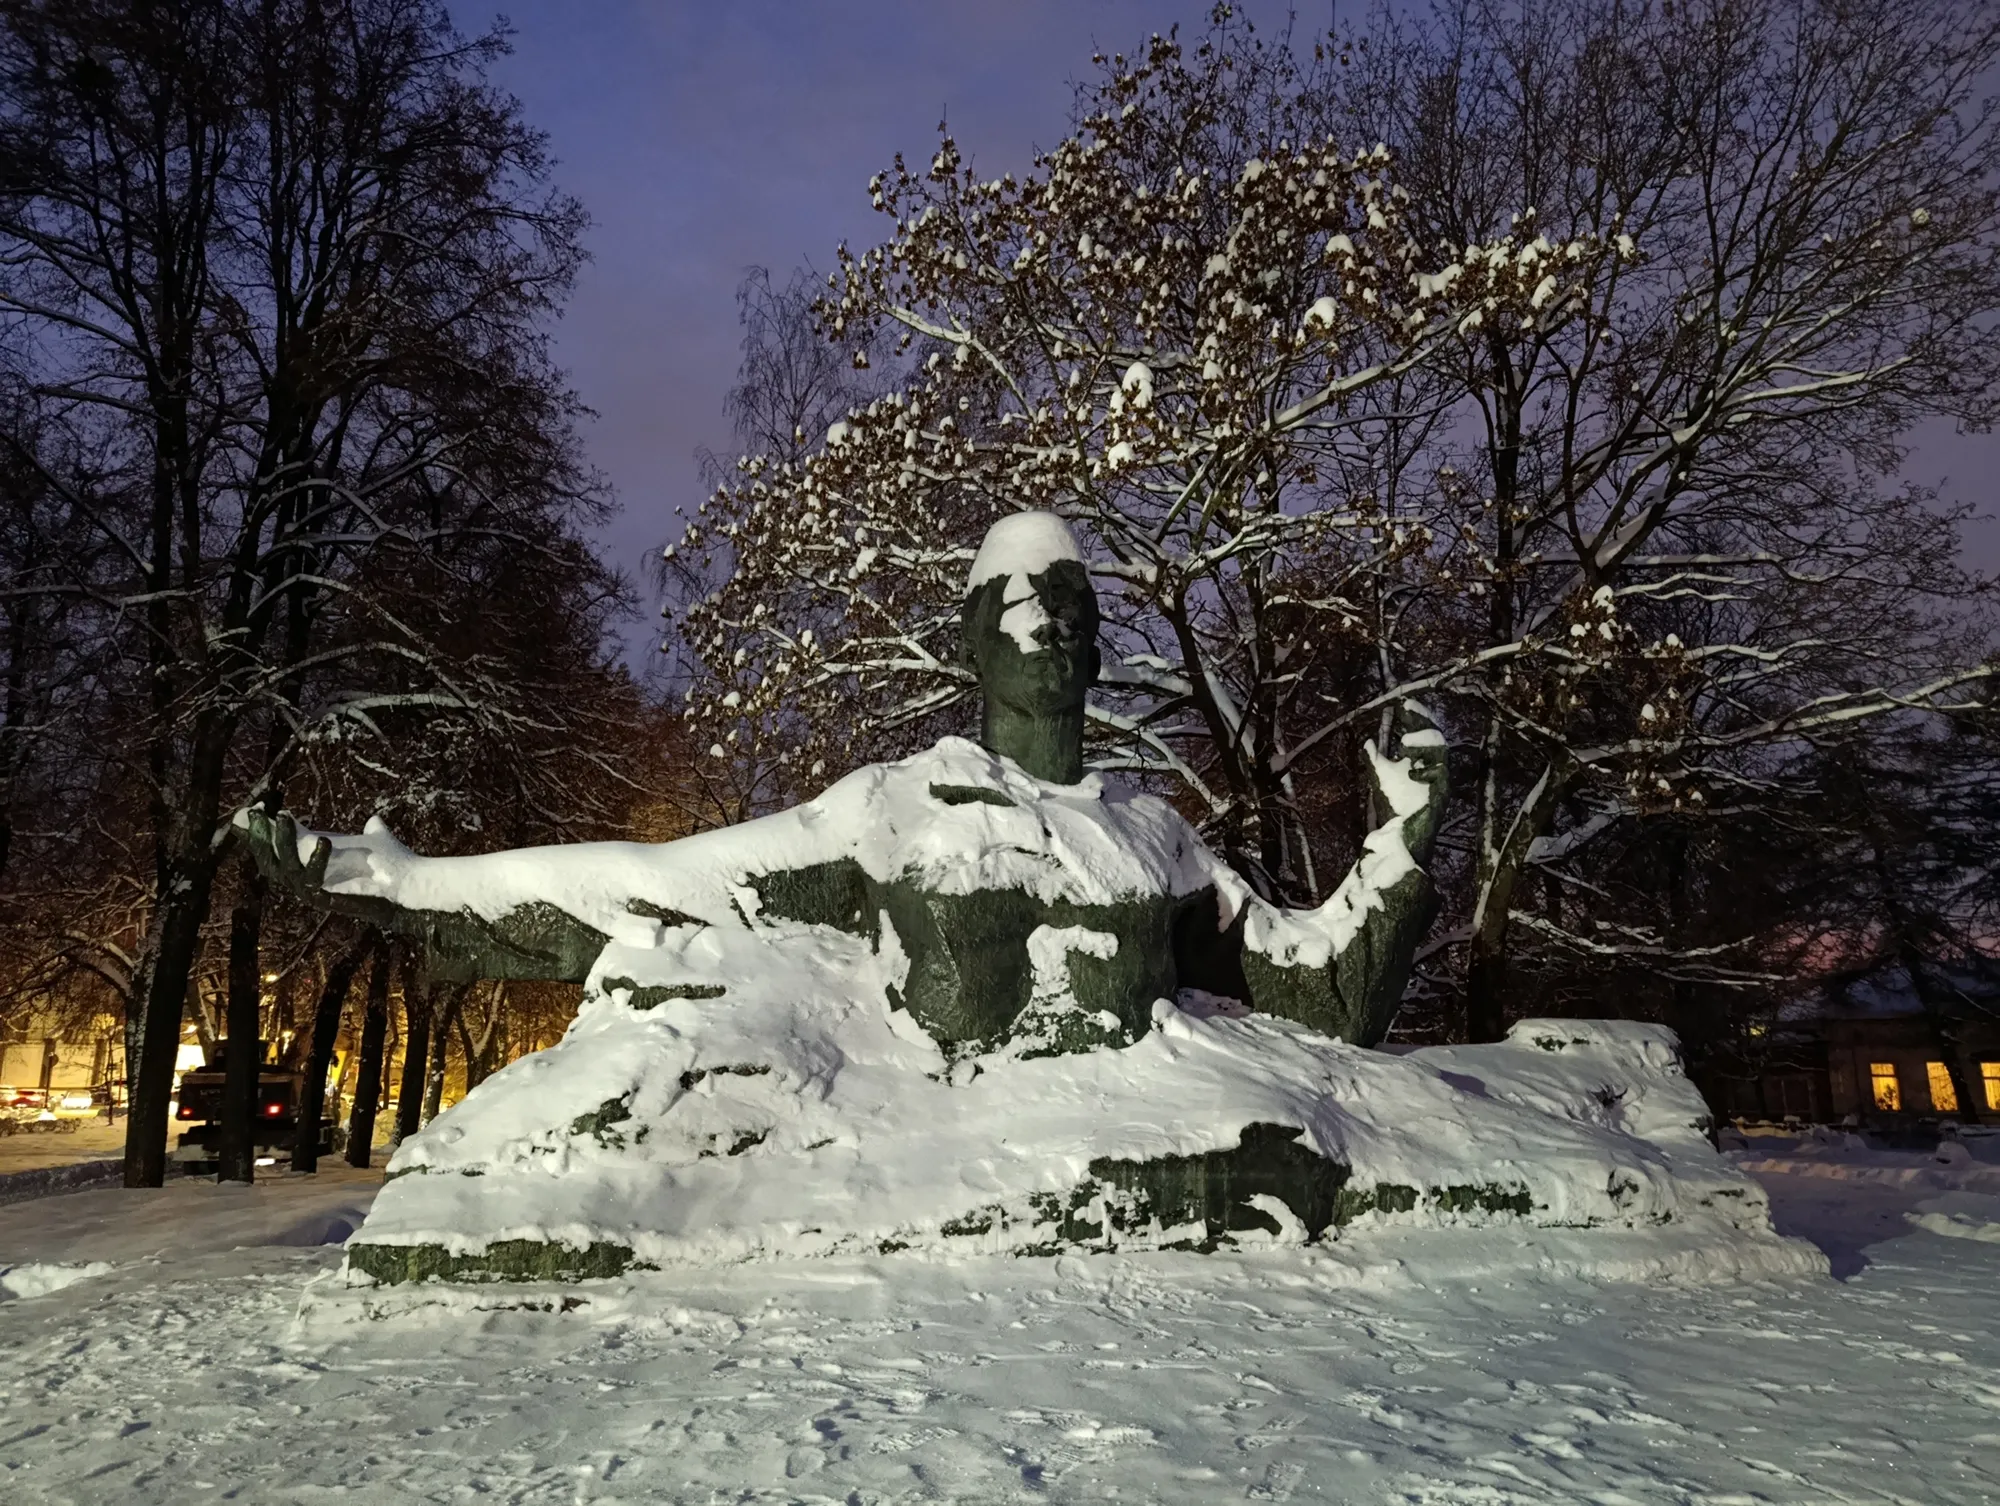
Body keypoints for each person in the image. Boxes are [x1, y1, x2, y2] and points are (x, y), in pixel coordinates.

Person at [238, 513, 1446, 1051]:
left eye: (1069, 601)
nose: (1045, 619)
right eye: (1013, 601)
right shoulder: (892, 811)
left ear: (1098, 637)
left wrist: (1403, 837)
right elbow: (652, 888)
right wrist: (397, 882)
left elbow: (1319, 1000)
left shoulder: (1152, 836)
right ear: (968, 644)